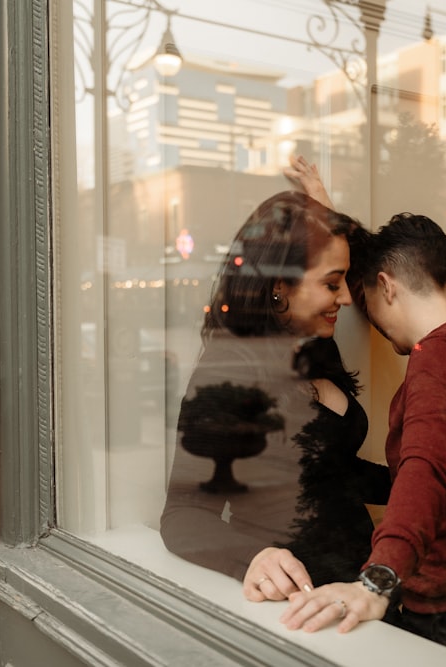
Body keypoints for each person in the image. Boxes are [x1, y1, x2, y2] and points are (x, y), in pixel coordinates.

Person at [278, 210, 446, 667]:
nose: (364, 313)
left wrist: (378, 580)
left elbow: (426, 469)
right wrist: (325, 213)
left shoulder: (439, 359)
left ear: (388, 286)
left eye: (366, 296)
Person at [159, 190, 390, 601]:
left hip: (362, 592)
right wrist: (254, 558)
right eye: (332, 284)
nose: (346, 298)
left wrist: (419, 484)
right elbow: (184, 514)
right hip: (296, 603)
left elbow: (331, 471)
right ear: (280, 286)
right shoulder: (227, 375)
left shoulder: (316, 346)